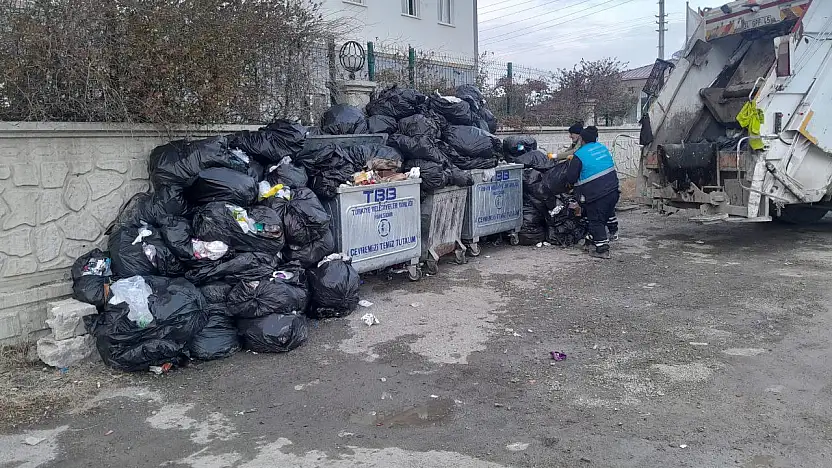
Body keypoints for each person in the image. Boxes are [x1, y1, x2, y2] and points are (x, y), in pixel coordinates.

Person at [566, 126, 620, 259]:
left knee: (595, 220)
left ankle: (602, 250)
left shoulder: (579, 155)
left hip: (597, 194)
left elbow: (571, 178)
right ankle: (591, 240)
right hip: (613, 190)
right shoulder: (602, 148)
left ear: (582, 139)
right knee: (602, 217)